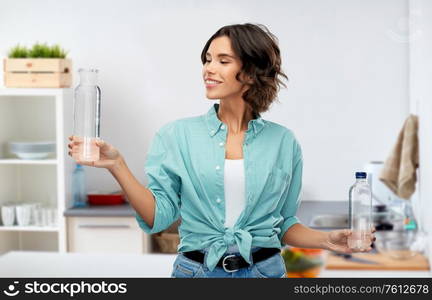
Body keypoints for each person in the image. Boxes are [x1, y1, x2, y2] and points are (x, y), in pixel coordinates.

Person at [68, 23, 375, 278]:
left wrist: (328, 240)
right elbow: (159, 217)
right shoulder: (176, 136)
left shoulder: (283, 142)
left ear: (252, 73)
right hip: (196, 273)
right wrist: (117, 164)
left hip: (265, 273)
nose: (209, 69)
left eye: (223, 61)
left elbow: (282, 224)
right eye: (207, 59)